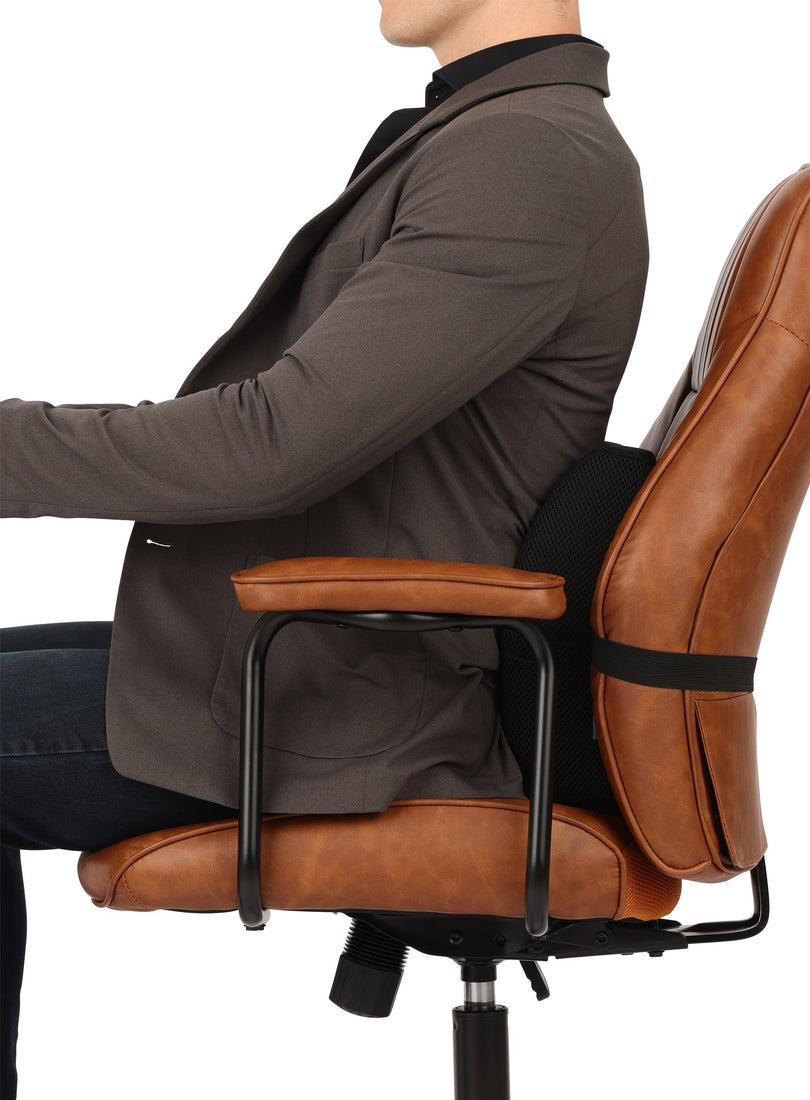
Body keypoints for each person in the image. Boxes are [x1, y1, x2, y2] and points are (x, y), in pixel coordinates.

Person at [0, 0, 648, 1093]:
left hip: (364, 686)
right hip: (328, 654)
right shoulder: (491, 131)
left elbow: (270, 446)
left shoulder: (528, 154)